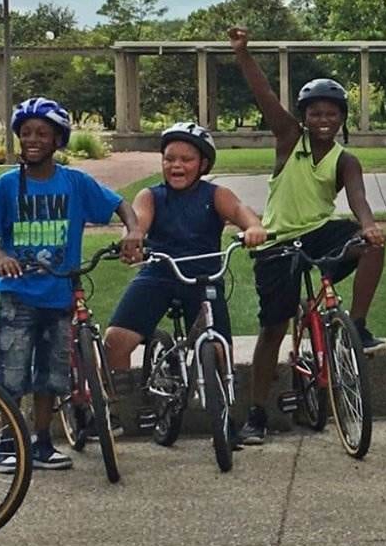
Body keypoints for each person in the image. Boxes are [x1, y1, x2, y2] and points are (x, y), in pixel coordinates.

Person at [228, 27, 386, 446]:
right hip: (277, 240)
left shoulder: (345, 159)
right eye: (315, 114)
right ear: (304, 117)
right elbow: (264, 96)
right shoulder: (289, 139)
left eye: (332, 114)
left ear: (342, 118)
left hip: (319, 233)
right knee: (273, 327)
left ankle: (357, 325)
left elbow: (358, 199)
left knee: (371, 246)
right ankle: (257, 413)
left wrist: (369, 227)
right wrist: (243, 54)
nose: (324, 121)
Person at [0, 96, 141, 473]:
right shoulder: (7, 185)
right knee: (12, 372)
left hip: (60, 293)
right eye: (26, 133)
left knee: (51, 374)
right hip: (18, 294)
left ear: (57, 140)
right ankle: (7, 440)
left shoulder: (75, 182)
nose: (32, 140)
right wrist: (1, 257)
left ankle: (42, 441)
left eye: (42, 134)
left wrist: (134, 230)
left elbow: (119, 204)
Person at [102, 122, 267, 435]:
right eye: (169, 159)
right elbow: (139, 222)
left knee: (218, 347)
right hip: (159, 272)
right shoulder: (151, 196)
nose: (176, 165)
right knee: (116, 340)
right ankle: (115, 409)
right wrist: (134, 238)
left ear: (203, 164)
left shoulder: (215, 194)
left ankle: (225, 412)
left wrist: (254, 227)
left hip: (204, 276)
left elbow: (240, 211)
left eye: (186, 159)